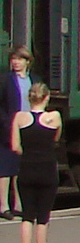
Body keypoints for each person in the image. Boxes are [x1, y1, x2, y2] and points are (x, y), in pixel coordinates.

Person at [12, 82, 61, 243]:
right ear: (47, 97)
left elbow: (15, 146)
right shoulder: (54, 117)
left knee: (27, 215)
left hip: (26, 168)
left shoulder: (19, 118)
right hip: (47, 169)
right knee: (43, 217)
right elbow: (56, 138)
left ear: (29, 98)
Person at [0, 46, 25, 223]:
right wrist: (6, 124)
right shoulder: (5, 80)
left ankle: (19, 205)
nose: (16, 62)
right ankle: (3, 206)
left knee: (21, 169)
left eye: (19, 59)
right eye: (13, 59)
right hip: (9, 128)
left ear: (27, 61)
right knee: (6, 168)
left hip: (27, 127)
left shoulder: (34, 80)